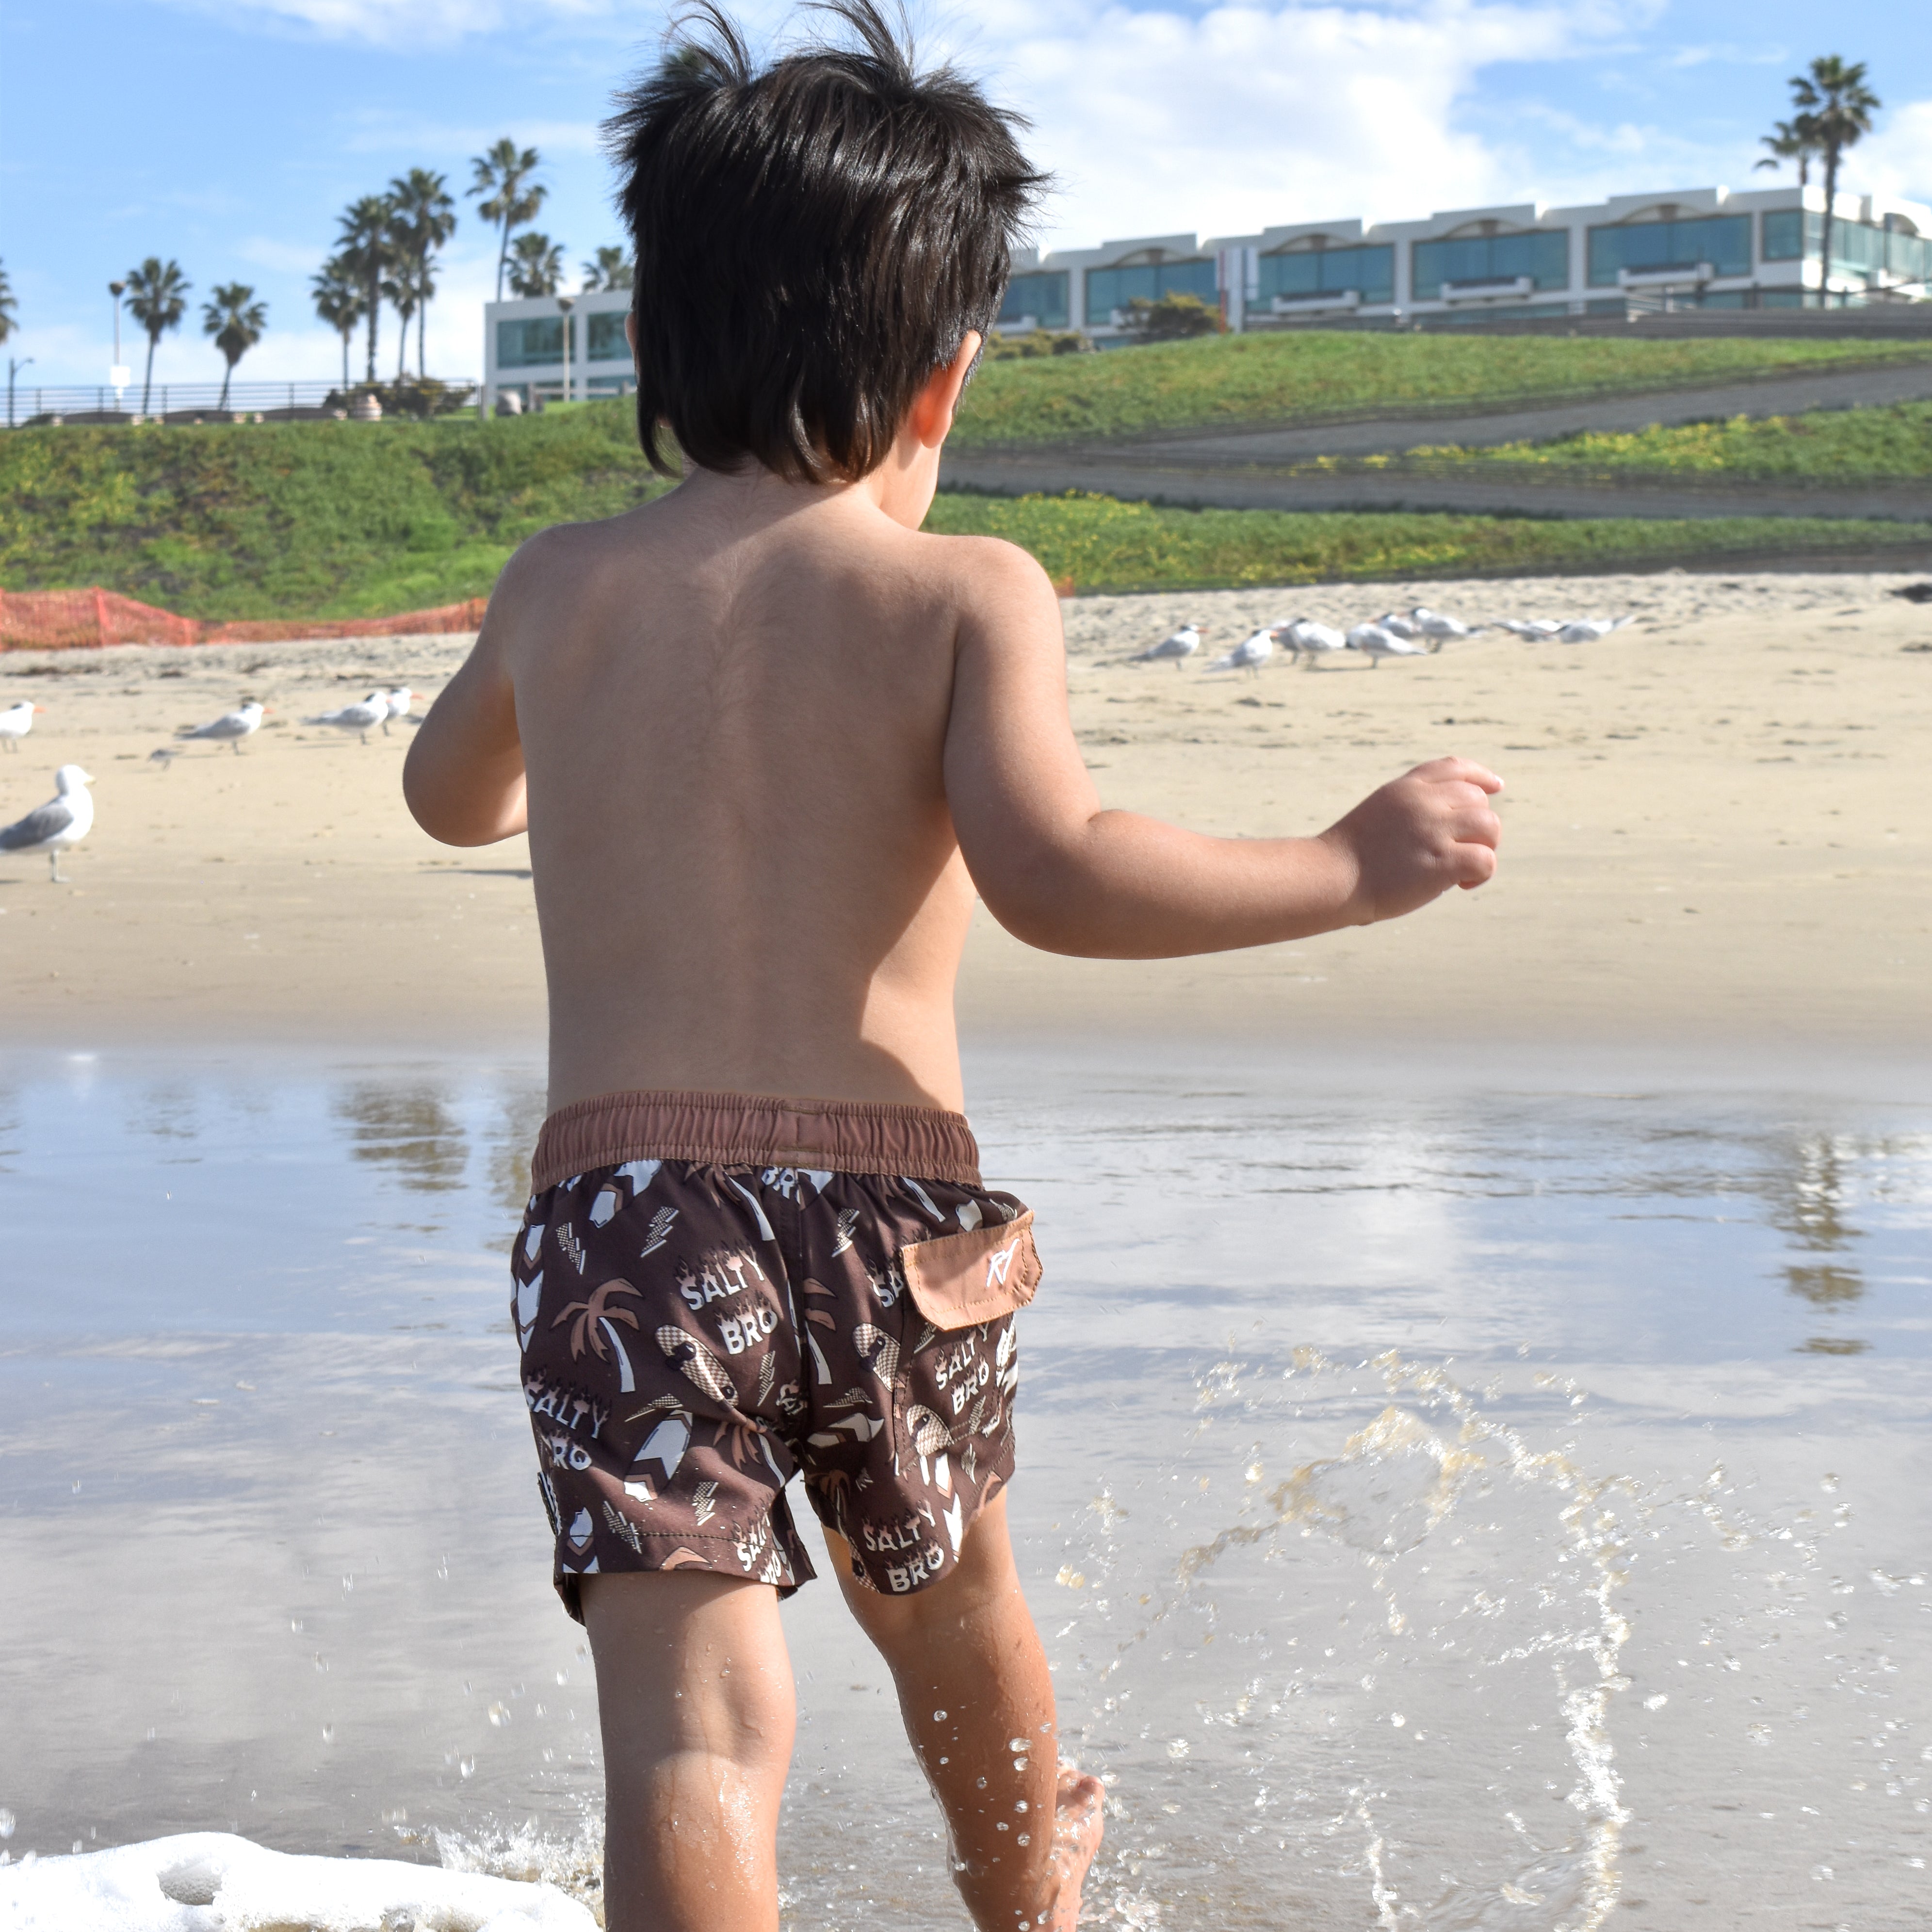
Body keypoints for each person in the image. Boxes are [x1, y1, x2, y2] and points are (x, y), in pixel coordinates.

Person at [401, 4, 1504, 1926]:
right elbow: (1058, 875)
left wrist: (565, 757)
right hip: (888, 1212)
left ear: (660, 345)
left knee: (694, 1732)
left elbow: (445, 796)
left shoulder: (559, 588)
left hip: (631, 1224)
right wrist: (1344, 865)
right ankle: (1029, 1908)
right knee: (959, 1615)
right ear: (943, 376)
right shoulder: (964, 590)